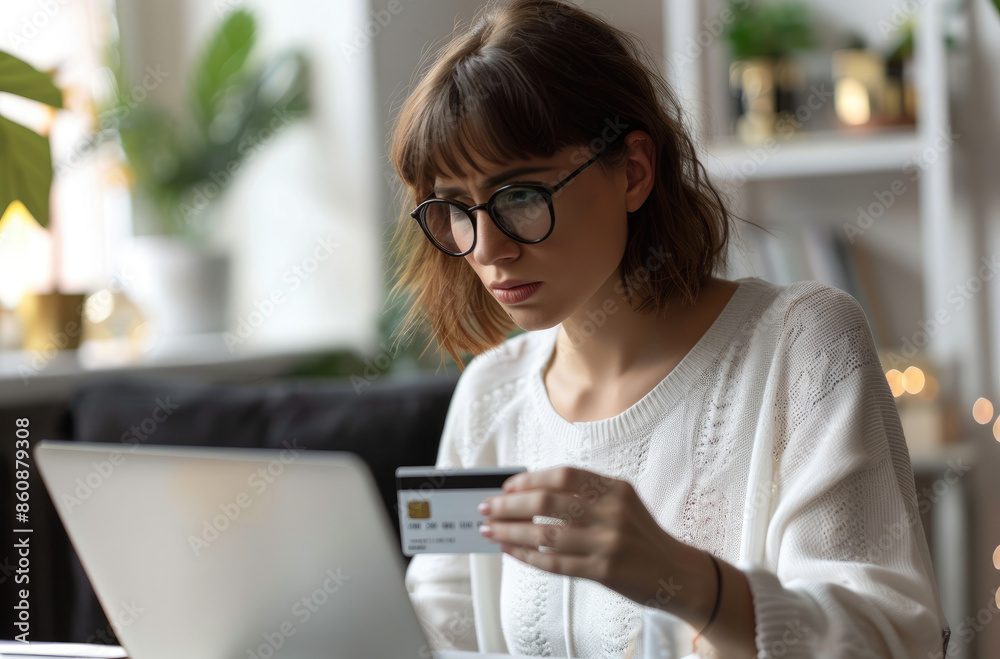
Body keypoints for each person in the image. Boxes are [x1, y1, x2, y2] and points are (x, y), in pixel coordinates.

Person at [386, 1, 951, 657]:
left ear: (633, 171)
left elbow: (889, 638)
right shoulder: (491, 394)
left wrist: (686, 581)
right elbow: (434, 634)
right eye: (455, 207)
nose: (486, 248)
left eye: (519, 196)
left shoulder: (802, 346)